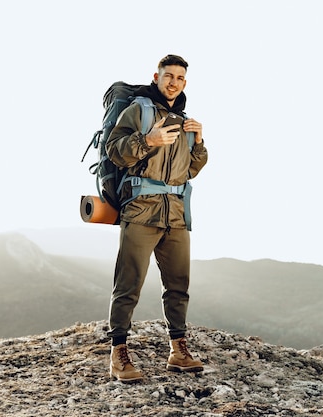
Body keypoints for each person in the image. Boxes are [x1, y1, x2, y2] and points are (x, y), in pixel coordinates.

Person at [105, 54, 209, 382]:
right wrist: (147, 140)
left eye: (179, 77)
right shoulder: (139, 110)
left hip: (175, 215)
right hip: (141, 211)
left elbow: (190, 169)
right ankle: (118, 354)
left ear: (184, 83)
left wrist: (200, 142)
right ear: (157, 76)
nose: (173, 82)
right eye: (168, 76)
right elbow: (115, 150)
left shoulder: (184, 120)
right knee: (128, 284)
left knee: (178, 285)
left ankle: (178, 350)